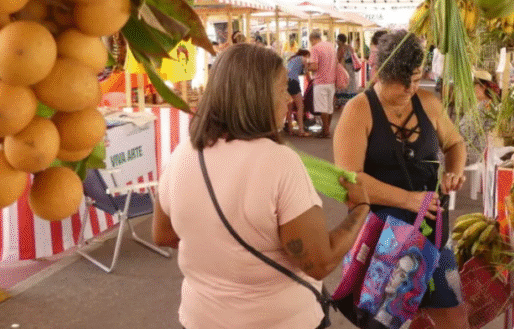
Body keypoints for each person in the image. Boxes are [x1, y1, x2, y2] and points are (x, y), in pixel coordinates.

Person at [152, 44, 371, 329]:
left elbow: (163, 235)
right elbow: (319, 262)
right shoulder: (280, 162)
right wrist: (361, 209)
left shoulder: (180, 156)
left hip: (200, 318)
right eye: (282, 90)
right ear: (257, 97)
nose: (289, 100)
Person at [333, 30, 470, 328]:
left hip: (431, 227)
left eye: (417, 79)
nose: (410, 88)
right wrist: (409, 199)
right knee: (387, 317)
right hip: (382, 233)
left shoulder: (428, 103)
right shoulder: (358, 111)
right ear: (379, 73)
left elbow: (455, 143)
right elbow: (350, 180)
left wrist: (453, 172)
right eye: (402, 81)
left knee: (451, 312)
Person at [459, 70, 500, 166]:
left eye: (474, 86)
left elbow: (466, 134)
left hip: (471, 155)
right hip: (475, 152)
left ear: (483, 87)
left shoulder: (483, 107)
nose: (472, 89)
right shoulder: (489, 104)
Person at [307, 29, 338, 138]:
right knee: (329, 107)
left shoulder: (315, 48)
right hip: (331, 80)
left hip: (320, 81)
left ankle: (325, 131)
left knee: (323, 108)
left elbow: (314, 66)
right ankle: (327, 128)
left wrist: (307, 66)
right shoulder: (330, 46)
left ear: (313, 39)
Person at [286, 49, 311, 136]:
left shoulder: (291, 59)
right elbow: (307, 72)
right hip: (293, 82)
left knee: (289, 107)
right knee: (300, 106)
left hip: (285, 82)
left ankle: (290, 130)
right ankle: (301, 131)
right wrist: (310, 81)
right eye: (308, 56)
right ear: (306, 55)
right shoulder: (303, 58)